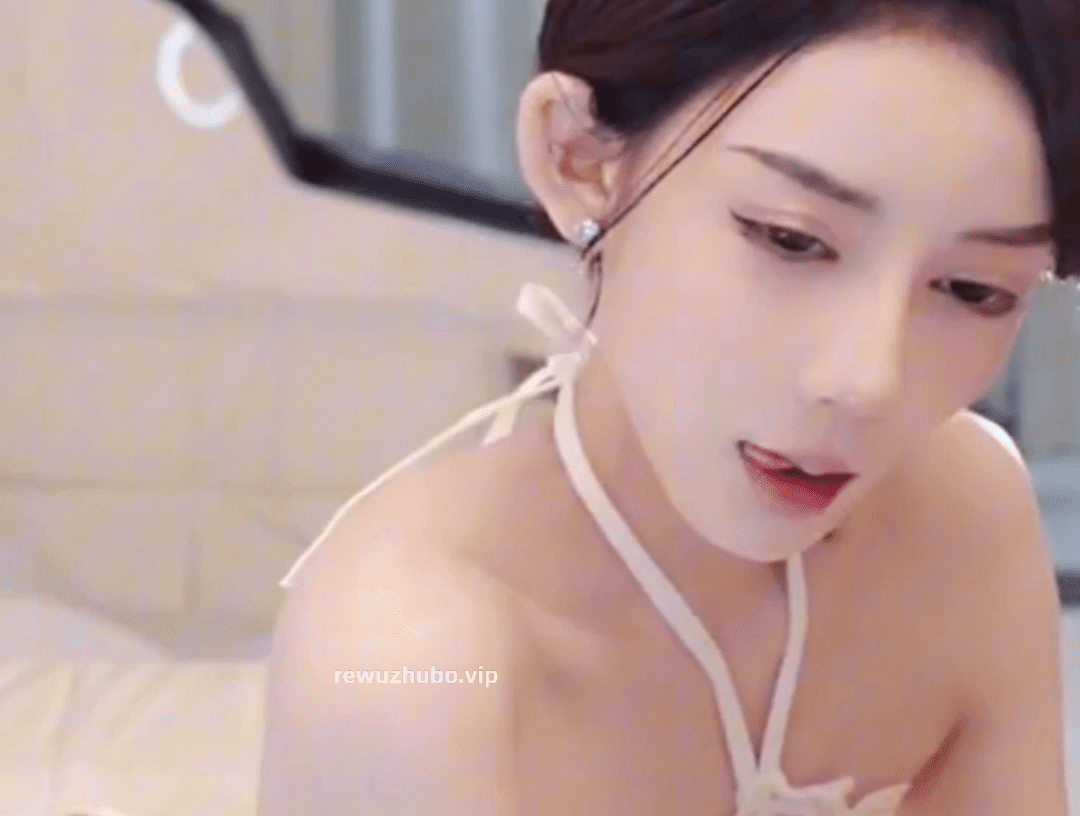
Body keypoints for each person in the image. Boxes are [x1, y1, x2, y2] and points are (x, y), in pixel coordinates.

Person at [256, 1, 1078, 813]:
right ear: (579, 158)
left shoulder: (965, 516)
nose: (868, 379)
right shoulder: (403, 660)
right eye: (790, 239)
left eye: (973, 289)